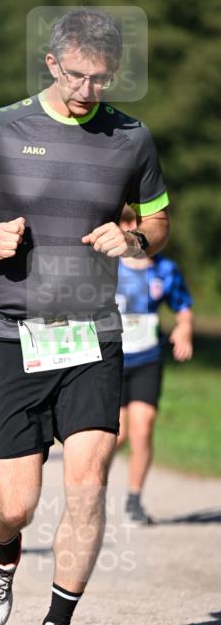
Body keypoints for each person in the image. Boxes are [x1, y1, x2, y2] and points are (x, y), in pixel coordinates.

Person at [0, 9, 170, 625]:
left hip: (93, 331)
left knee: (88, 480)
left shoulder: (130, 138)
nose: (86, 91)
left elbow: (157, 225)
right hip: (12, 331)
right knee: (15, 503)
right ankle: (0, 552)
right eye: (76, 76)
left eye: (100, 79)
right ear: (50, 64)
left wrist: (131, 241)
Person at [115, 205, 193, 524]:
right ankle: (90, 493)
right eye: (125, 221)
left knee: (143, 427)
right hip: (111, 359)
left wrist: (184, 329)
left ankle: (134, 500)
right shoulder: (104, 266)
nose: (132, 227)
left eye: (138, 221)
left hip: (148, 356)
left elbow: (183, 307)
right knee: (115, 435)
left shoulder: (165, 270)